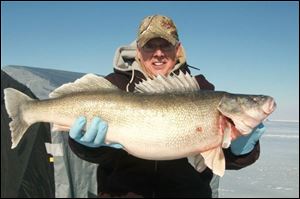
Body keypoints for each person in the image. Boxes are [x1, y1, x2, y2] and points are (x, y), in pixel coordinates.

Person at [68, 15, 266, 198]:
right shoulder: (114, 86)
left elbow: (224, 159)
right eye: (150, 46)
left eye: (166, 45)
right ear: (138, 50)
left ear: (177, 49)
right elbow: (98, 156)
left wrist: (242, 148)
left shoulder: (201, 90)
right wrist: (86, 146)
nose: (159, 53)